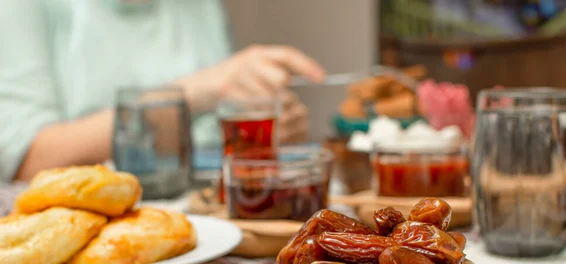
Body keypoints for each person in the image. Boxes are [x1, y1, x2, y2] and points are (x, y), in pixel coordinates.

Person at [0, 0, 325, 182]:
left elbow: (204, 137)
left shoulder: (202, 8)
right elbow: (26, 161)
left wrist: (258, 133)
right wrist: (198, 89)